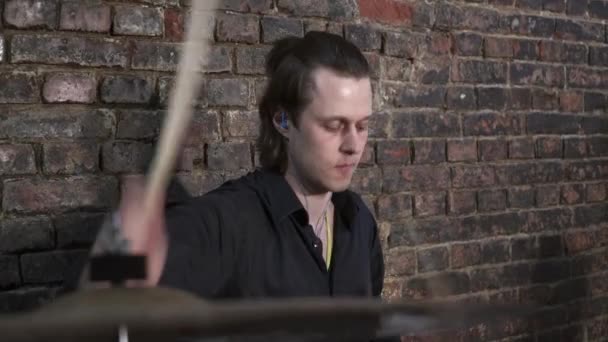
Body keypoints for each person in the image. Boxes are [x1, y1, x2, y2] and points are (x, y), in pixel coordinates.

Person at [85, 31, 398, 341]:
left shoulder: (358, 221)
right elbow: (99, 297)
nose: (354, 145)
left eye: (362, 126)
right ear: (284, 121)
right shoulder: (228, 222)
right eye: (334, 125)